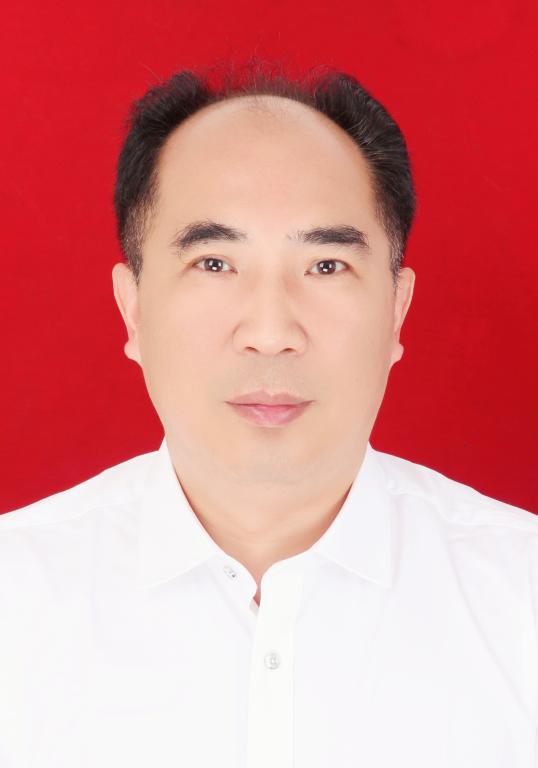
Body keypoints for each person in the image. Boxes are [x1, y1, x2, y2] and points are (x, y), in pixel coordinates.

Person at [1, 59, 537, 768]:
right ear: (133, 310)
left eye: (326, 266)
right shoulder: (16, 602)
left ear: (396, 310)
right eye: (215, 263)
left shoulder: (520, 600)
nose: (271, 331)